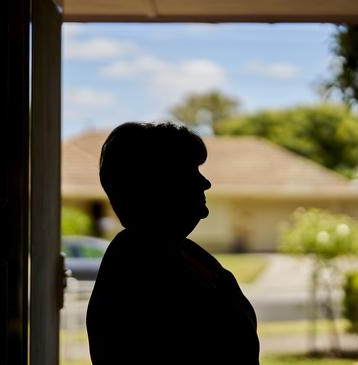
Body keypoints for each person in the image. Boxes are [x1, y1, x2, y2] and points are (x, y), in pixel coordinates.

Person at [86, 122, 259, 365]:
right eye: (191, 171)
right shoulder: (141, 265)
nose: (205, 183)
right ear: (158, 184)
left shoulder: (180, 251)